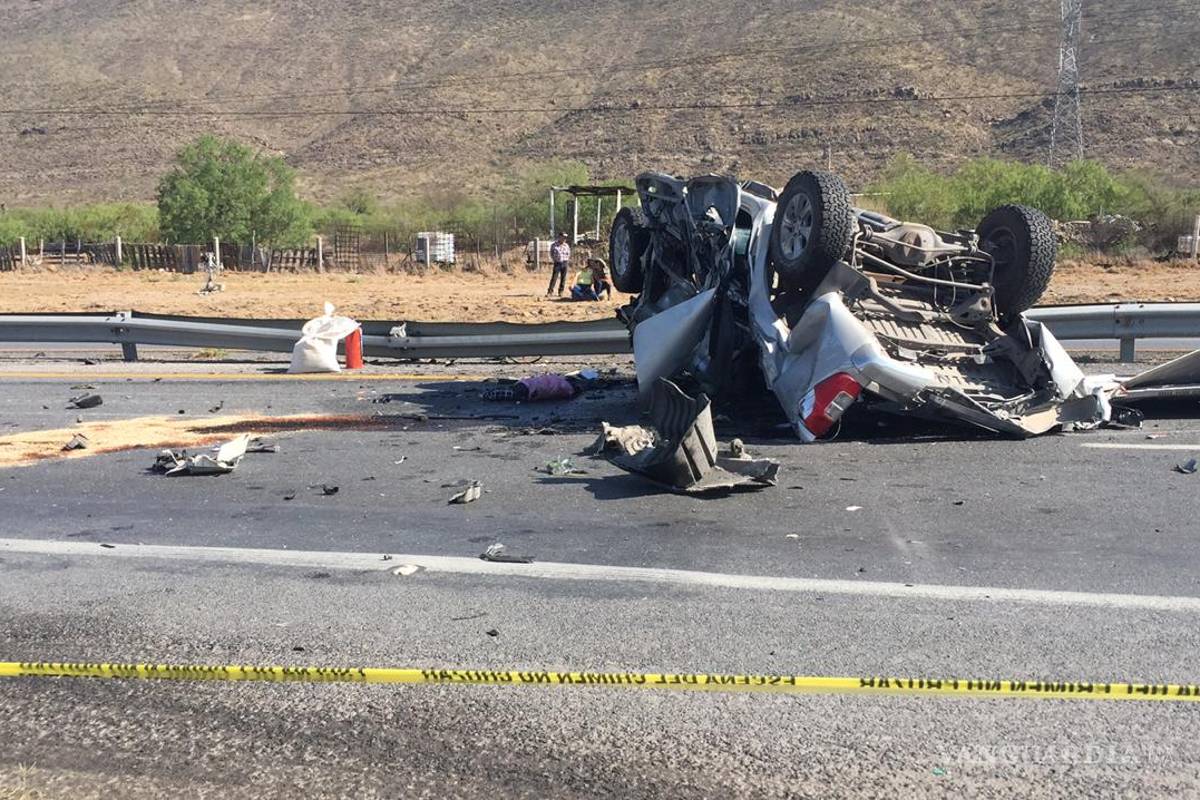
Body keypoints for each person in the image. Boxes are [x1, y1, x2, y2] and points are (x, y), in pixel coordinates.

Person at [547, 232, 571, 296]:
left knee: (563, 278)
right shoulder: (554, 245)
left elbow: (569, 253)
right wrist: (555, 259)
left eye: (565, 237)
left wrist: (566, 260)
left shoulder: (566, 245)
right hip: (557, 263)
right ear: (559, 237)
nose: (564, 239)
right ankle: (550, 291)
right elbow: (551, 253)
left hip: (565, 263)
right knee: (554, 277)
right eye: (563, 237)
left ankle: (561, 291)